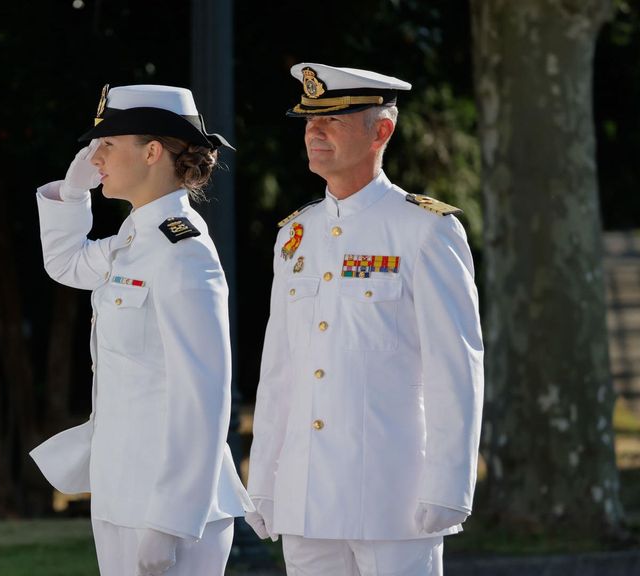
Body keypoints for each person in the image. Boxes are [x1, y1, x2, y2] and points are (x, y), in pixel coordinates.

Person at [244, 63, 485, 576]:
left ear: (382, 130)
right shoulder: (296, 235)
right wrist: (263, 478)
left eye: (332, 119)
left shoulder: (424, 230)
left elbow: (456, 369)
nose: (313, 130)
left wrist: (448, 484)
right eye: (309, 119)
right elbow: (280, 370)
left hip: (392, 497)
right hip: (306, 496)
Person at [30, 84, 251, 576]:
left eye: (108, 143)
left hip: (168, 508)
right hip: (121, 493)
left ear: (152, 152)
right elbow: (65, 263)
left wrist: (172, 517)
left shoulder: (183, 251)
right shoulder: (135, 239)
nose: (95, 156)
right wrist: (72, 193)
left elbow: (204, 394)